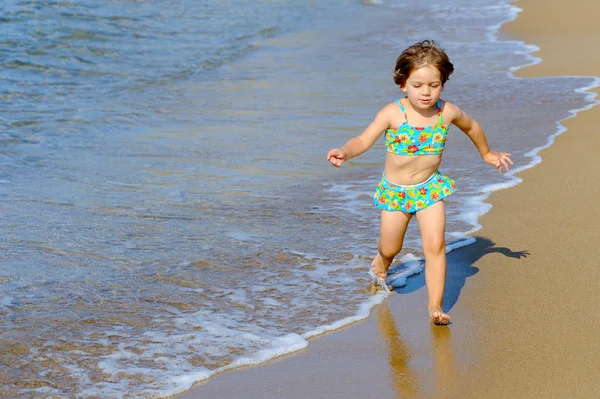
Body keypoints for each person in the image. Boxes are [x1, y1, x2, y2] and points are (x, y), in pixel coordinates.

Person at [326, 40, 512, 325]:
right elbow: (363, 139)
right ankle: (381, 264)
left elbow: (472, 126)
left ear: (443, 83)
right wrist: (345, 151)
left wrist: (486, 153)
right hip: (396, 193)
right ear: (403, 84)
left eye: (434, 85)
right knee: (391, 247)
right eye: (418, 85)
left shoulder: (446, 112)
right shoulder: (392, 113)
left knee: (435, 245)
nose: (426, 92)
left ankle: (435, 306)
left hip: (429, 188)